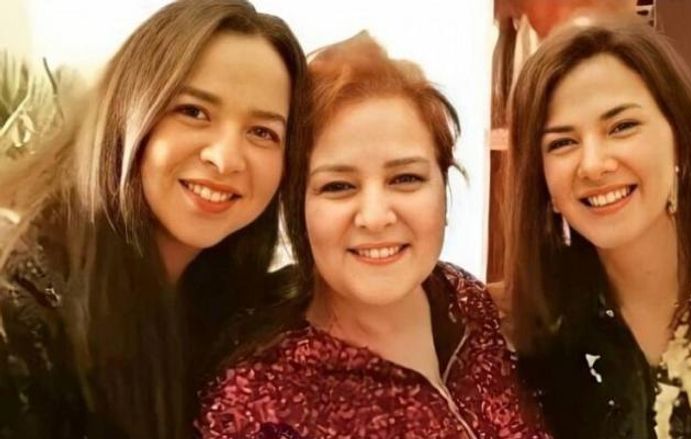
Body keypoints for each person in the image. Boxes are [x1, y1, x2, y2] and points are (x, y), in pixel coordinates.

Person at [197, 33, 551, 438]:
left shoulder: (462, 299)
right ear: (297, 206)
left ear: (444, 184)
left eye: (406, 178)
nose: (376, 217)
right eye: (338, 186)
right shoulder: (254, 401)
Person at [0, 1, 307, 438]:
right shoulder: (21, 308)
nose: (225, 159)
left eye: (262, 132)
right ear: (127, 110)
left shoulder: (237, 313)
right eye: (194, 111)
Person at [504, 19, 691, 439]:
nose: (594, 165)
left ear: (680, 139)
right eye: (562, 143)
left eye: (622, 127)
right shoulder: (540, 350)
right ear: (543, 182)